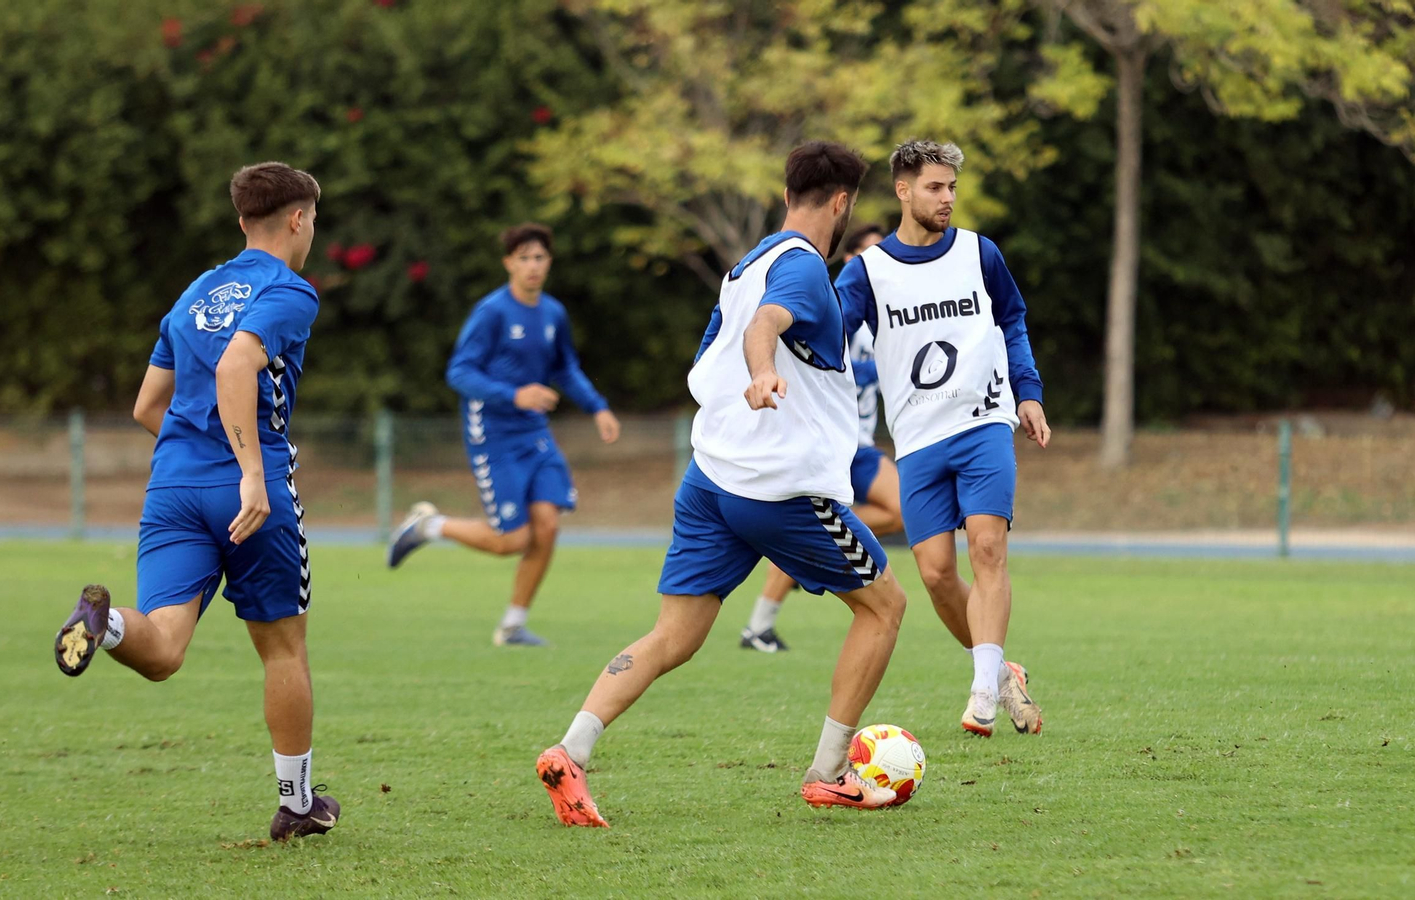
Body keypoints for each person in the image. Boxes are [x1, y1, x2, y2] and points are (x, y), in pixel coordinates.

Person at [535, 141, 909, 828]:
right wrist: (763, 372)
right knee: (885, 607)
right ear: (840, 203)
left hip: (709, 477)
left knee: (673, 636)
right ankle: (828, 774)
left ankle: (570, 750)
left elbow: (722, 339)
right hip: (776, 489)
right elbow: (768, 323)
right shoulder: (799, 268)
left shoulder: (748, 264)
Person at [51, 162, 339, 841]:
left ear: (242, 221)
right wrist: (245, 471)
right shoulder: (290, 290)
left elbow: (148, 405)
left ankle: (103, 622)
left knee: (163, 649)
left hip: (173, 486)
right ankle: (296, 803)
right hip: (249, 491)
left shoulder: (196, 292)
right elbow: (240, 363)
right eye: (315, 220)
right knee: (282, 649)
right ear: (297, 219)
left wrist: (200, 456)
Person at [840, 139, 1051, 738]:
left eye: (953, 187)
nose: (948, 199)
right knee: (934, 573)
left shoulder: (980, 254)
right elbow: (827, 337)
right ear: (903, 191)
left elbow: (1012, 320)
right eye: (935, 187)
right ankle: (1001, 669)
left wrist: (1027, 393)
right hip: (917, 440)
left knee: (986, 550)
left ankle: (983, 689)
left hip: (983, 422)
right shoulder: (868, 271)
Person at [386, 223, 620, 647]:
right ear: (509, 263)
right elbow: (459, 372)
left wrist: (598, 406)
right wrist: (516, 395)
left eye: (539, 257)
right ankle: (428, 525)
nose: (532, 265)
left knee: (547, 526)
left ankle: (512, 626)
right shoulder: (491, 312)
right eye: (524, 258)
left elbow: (565, 368)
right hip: (492, 434)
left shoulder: (552, 313)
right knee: (512, 540)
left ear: (549, 262)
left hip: (535, 433)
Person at [738, 224, 903, 653]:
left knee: (901, 510)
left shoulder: (885, 313)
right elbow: (832, 369)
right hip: (830, 440)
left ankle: (814, 549)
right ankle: (758, 627)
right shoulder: (837, 307)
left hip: (860, 444)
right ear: (850, 262)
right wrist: (883, 370)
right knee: (815, 530)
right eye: (867, 255)